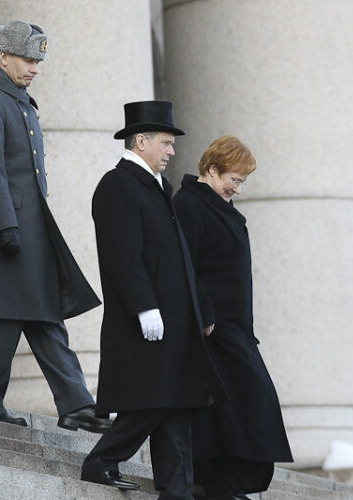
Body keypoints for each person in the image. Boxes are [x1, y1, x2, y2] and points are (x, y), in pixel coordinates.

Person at [0, 20, 108, 432]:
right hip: (7, 230)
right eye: (28, 58)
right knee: (10, 313)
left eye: (38, 59)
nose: (36, 67)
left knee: (42, 312)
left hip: (29, 229)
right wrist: (6, 226)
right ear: (4, 57)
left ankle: (75, 403)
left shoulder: (19, 102)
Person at [81, 100, 225, 499]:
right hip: (147, 321)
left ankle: (175, 489)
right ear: (140, 141)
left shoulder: (159, 187)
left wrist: (203, 307)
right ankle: (100, 462)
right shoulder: (118, 185)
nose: (172, 151)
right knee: (153, 401)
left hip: (176, 320)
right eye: (165, 142)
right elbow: (123, 255)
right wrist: (144, 305)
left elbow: (179, 257)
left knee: (176, 402)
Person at [173, 136, 293, 500]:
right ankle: (219, 482)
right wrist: (205, 313)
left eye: (242, 182)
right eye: (234, 180)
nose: (237, 189)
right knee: (242, 402)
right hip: (213, 328)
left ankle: (224, 483)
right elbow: (185, 265)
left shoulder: (214, 205)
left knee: (243, 405)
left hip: (235, 329)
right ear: (212, 169)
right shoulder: (189, 205)